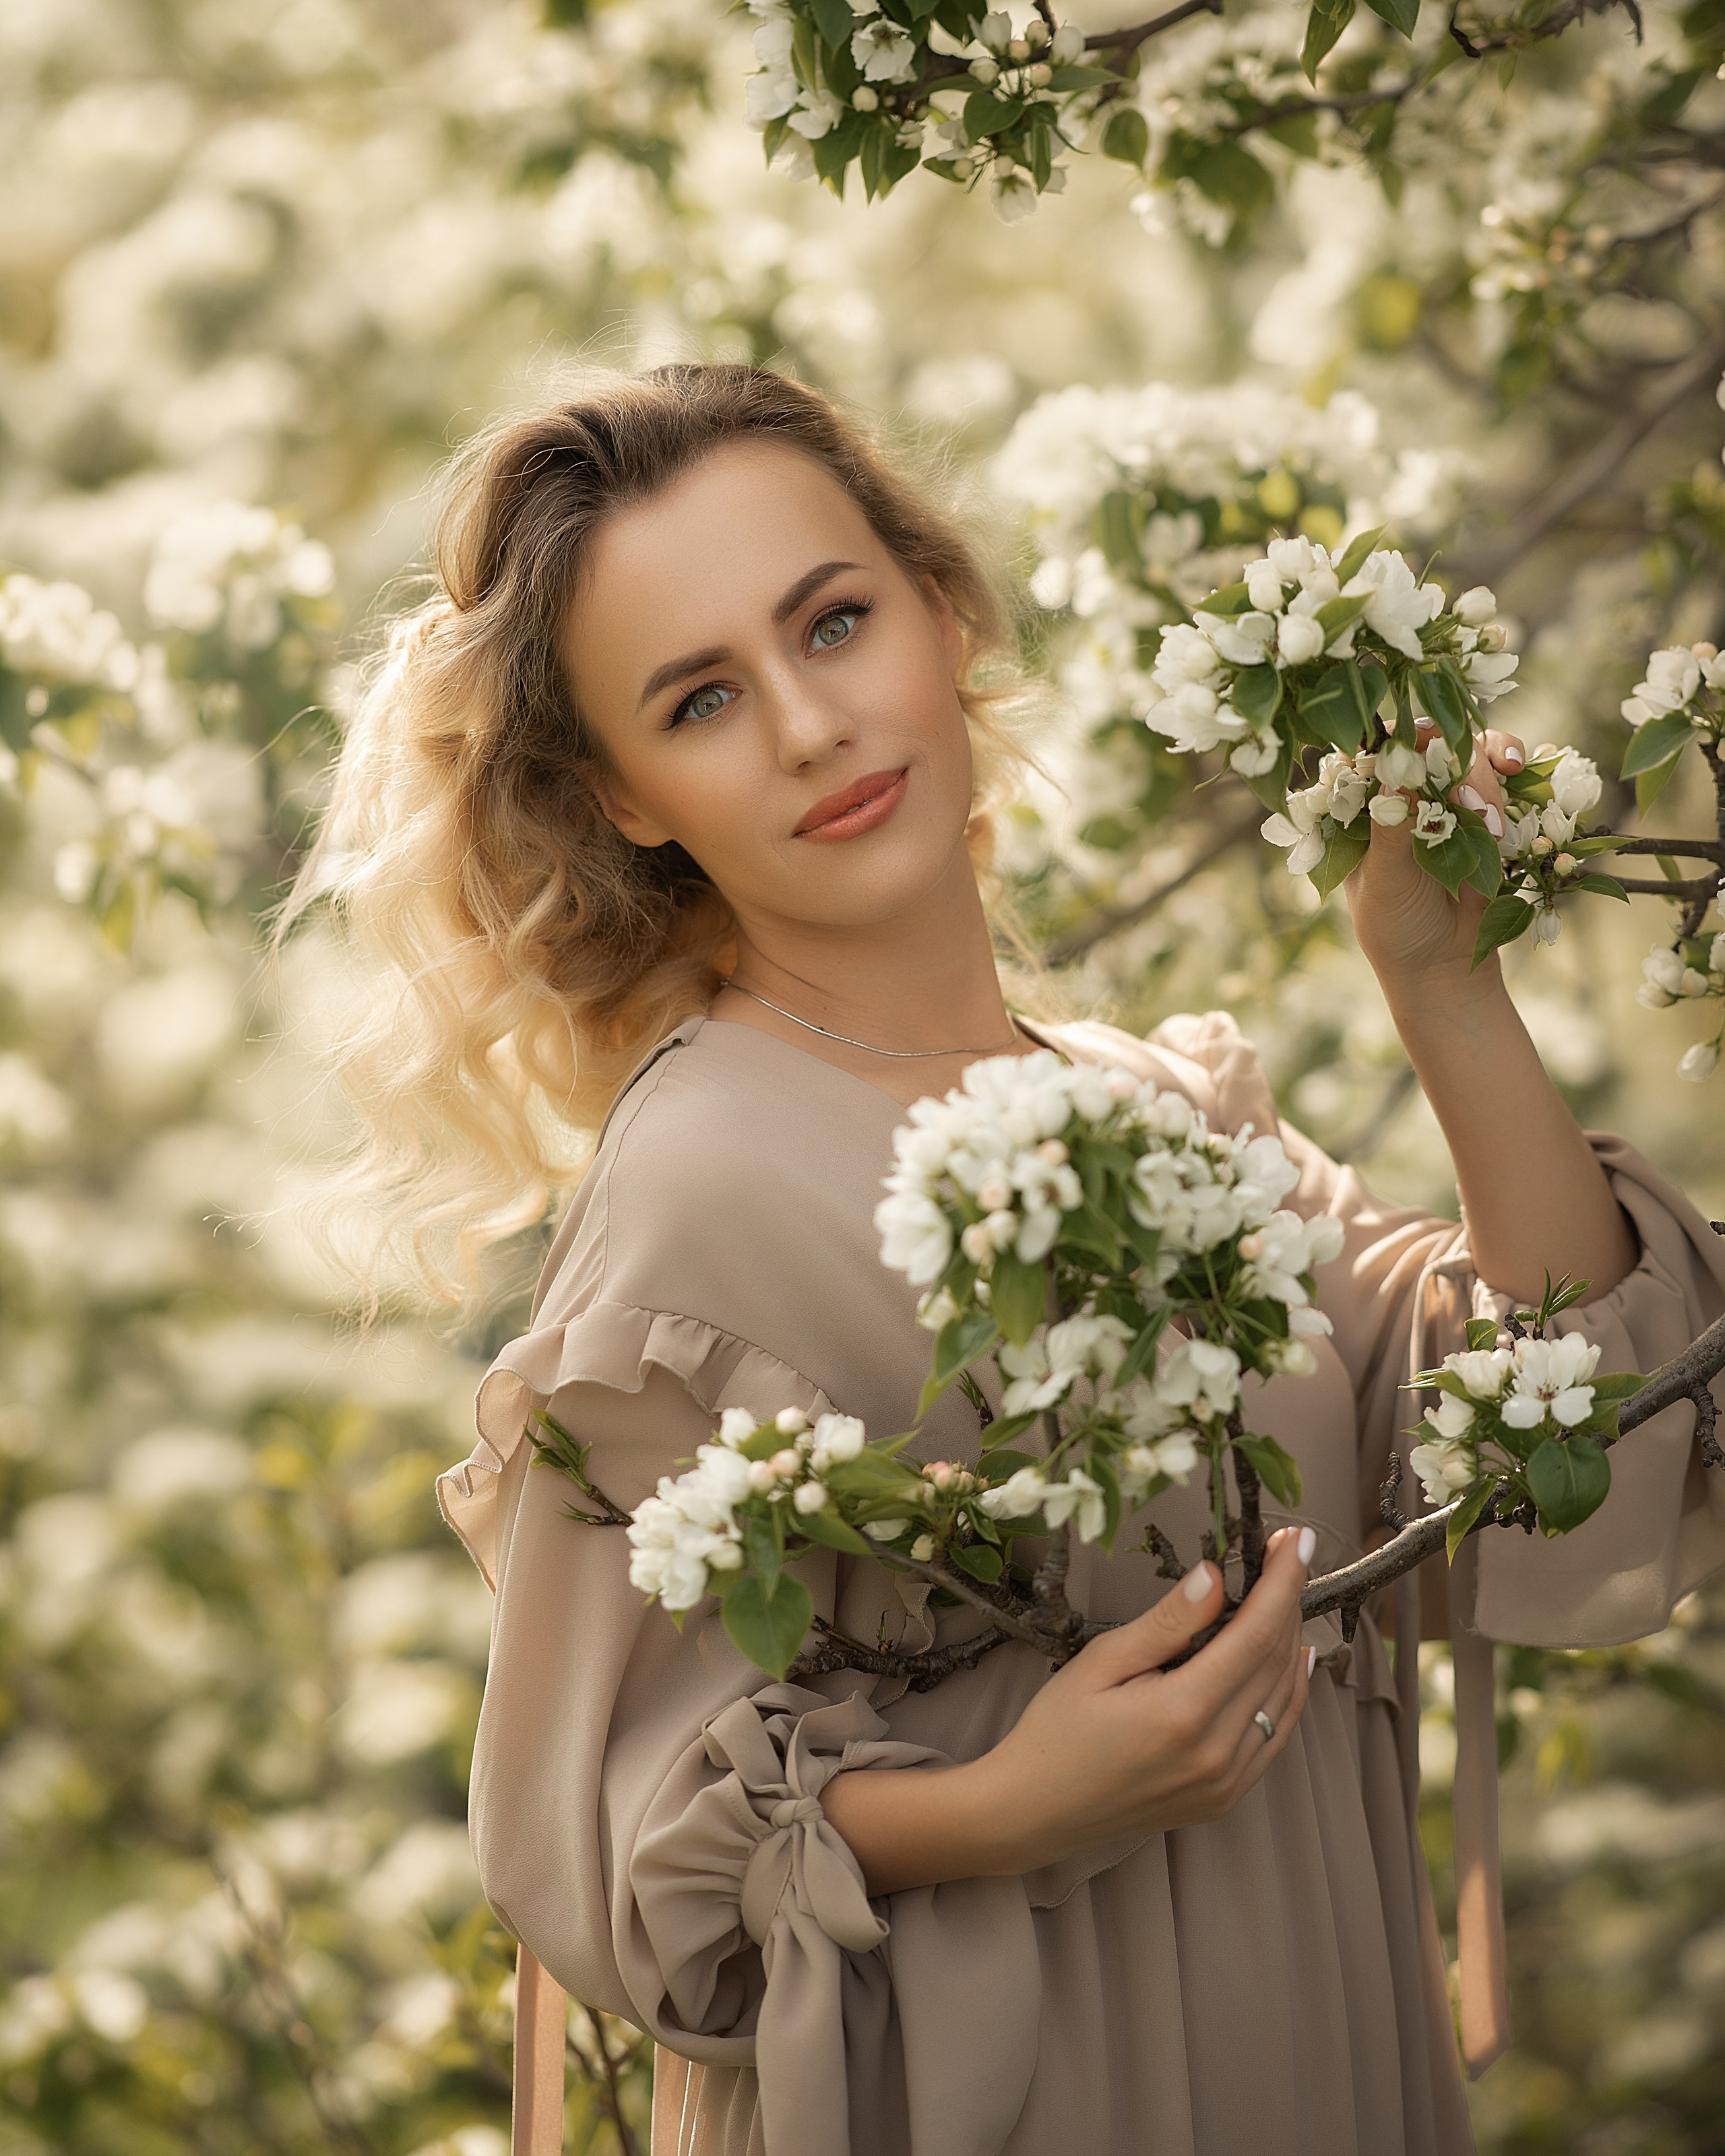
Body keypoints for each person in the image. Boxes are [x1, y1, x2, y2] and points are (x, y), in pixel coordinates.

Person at [296, 364, 1725, 2155]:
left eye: (834, 622)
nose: (812, 725)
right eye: (705, 697)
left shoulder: (1159, 1118)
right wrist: (995, 1807)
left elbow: (1558, 1447)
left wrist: (1445, 983)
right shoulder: (704, 1184)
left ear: (941, 606)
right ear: (627, 797)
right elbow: (614, 1845)